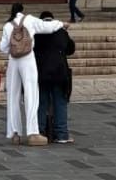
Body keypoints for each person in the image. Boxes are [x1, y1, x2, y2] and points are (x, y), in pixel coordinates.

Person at [0, 1, 65, 145]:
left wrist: (14, 48)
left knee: (13, 96)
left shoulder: (7, 25)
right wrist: (61, 24)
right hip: (28, 59)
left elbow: (3, 47)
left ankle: (14, 133)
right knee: (31, 94)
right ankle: (33, 133)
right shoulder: (29, 20)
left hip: (13, 61)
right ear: (22, 10)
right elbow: (47, 27)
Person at [34, 10, 76, 145]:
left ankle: (40, 132)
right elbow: (70, 49)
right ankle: (62, 134)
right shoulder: (61, 32)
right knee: (60, 103)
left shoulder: (36, 33)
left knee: (41, 103)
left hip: (42, 73)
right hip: (59, 73)